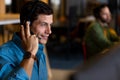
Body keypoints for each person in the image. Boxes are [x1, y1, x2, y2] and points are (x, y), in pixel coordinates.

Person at [0, 1, 53, 80]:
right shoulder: (3, 54)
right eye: (43, 24)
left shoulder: (40, 51)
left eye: (50, 25)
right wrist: (30, 54)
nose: (49, 31)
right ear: (26, 25)